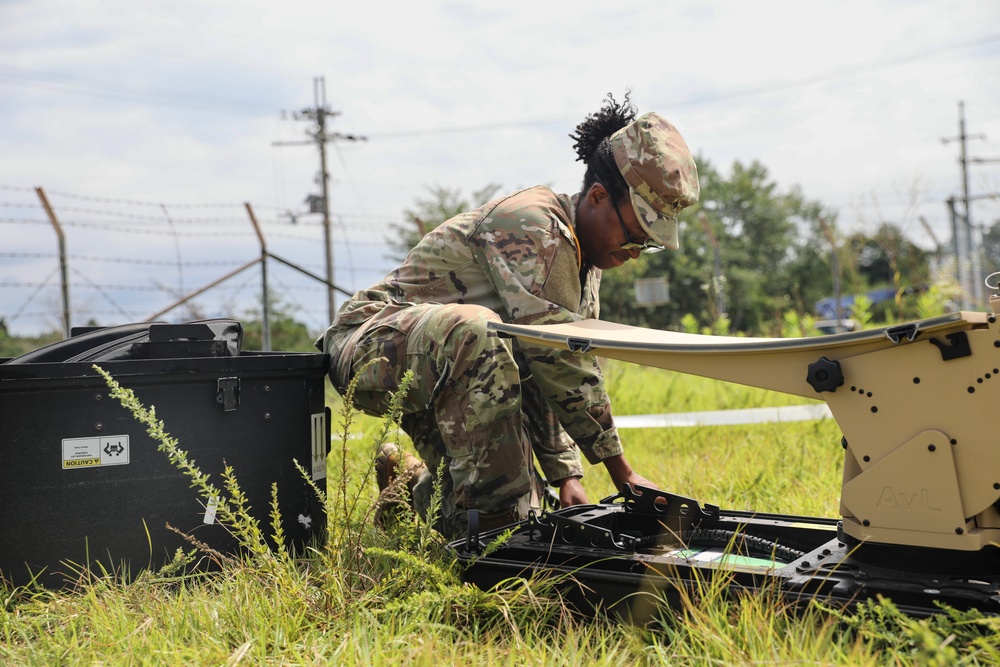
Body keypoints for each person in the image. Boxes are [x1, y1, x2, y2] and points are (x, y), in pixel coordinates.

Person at [316, 93, 700, 538]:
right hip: (369, 344)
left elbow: (545, 359)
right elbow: (559, 359)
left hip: (451, 364)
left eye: (646, 245)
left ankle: (409, 490)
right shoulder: (536, 226)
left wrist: (566, 476)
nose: (635, 254)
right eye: (635, 235)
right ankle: (489, 536)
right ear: (597, 197)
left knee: (514, 504)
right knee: (504, 521)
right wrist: (622, 473)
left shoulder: (582, 261)